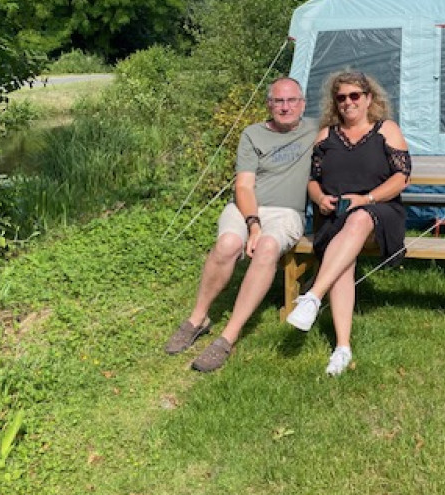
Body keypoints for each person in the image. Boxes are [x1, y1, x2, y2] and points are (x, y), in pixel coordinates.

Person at [165, 77, 317, 372]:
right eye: (278, 101)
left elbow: (358, 118)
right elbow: (244, 186)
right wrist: (254, 223)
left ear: (302, 104)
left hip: (287, 212)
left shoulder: (315, 130)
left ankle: (227, 336)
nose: (285, 107)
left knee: (268, 247)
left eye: (291, 101)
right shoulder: (253, 134)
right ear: (268, 104)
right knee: (227, 244)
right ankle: (198, 319)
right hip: (247, 207)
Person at [286, 71, 412, 375]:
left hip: (379, 213)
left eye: (355, 95)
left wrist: (367, 199)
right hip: (333, 215)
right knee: (342, 257)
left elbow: (402, 177)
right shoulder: (326, 136)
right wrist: (318, 199)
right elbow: (313, 180)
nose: (348, 102)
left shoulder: (386, 130)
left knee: (357, 220)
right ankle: (342, 348)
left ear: (369, 99)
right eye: (341, 97)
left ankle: (313, 295)